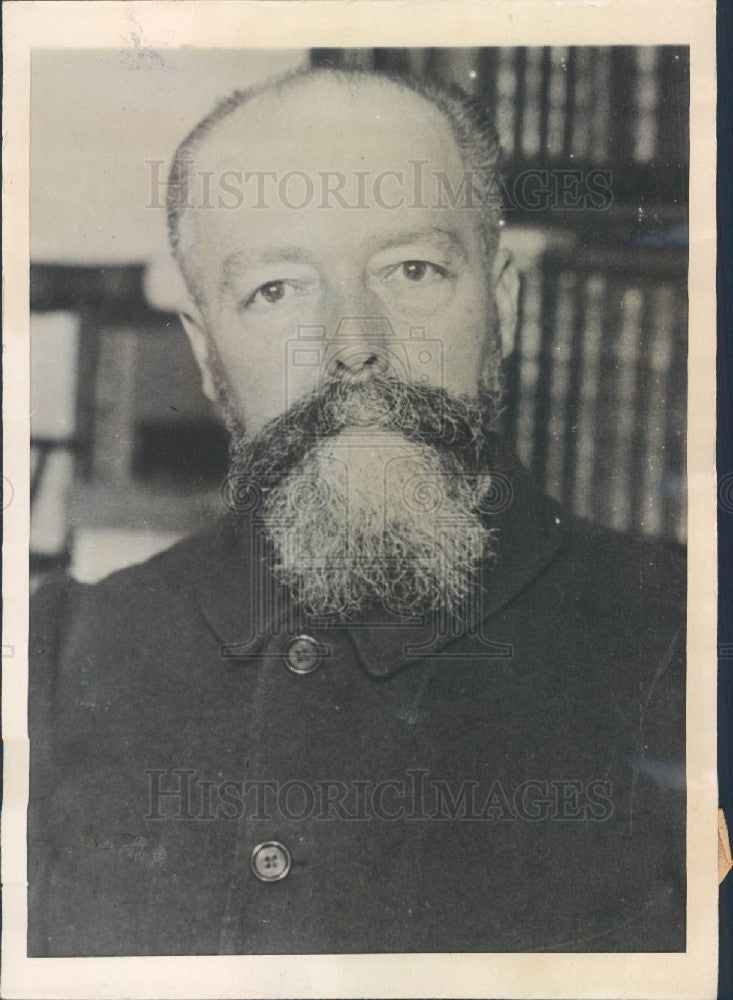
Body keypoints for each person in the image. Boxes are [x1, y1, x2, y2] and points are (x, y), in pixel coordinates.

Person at [28, 66, 685, 956]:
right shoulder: (55, 668)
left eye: (410, 269)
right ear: (205, 352)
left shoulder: (679, 642)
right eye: (276, 289)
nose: (352, 346)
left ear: (503, 304)